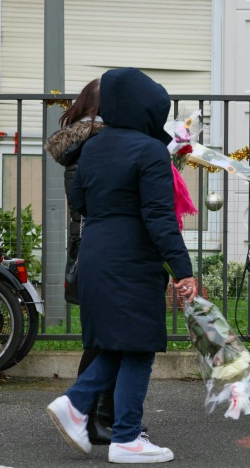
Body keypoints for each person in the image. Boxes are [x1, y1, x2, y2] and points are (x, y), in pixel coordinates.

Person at [46, 67, 197, 464]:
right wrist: (183, 270)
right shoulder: (149, 151)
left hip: (95, 253)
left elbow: (79, 200)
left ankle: (78, 404)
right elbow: (160, 219)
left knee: (120, 344)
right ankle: (126, 436)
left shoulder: (92, 148)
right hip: (131, 260)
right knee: (140, 346)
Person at [44, 78, 117, 446]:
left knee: (103, 337)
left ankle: (100, 415)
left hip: (87, 248)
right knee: (105, 340)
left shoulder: (81, 144)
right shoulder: (96, 144)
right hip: (99, 249)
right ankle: (91, 415)